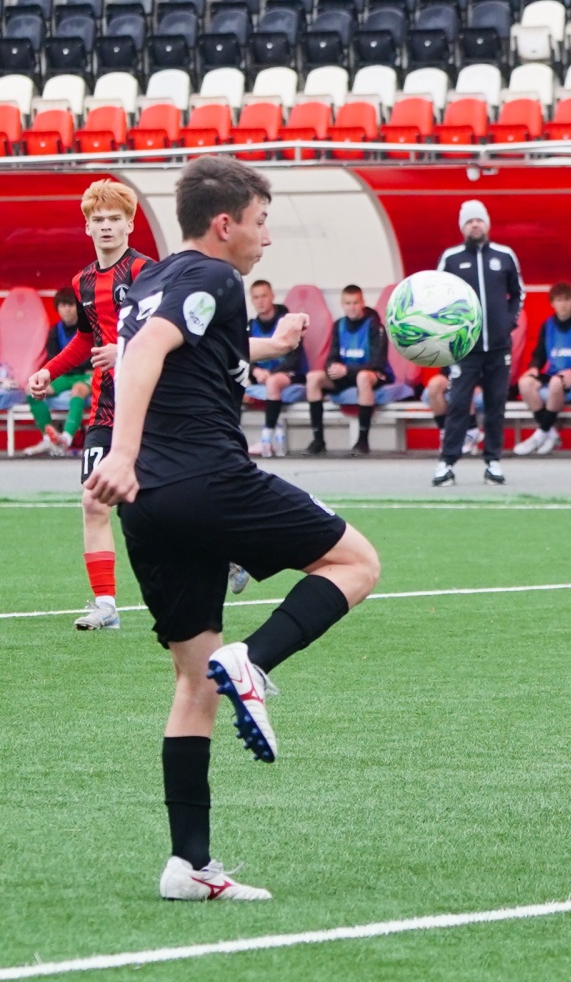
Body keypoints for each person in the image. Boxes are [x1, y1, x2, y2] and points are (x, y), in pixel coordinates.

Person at [87, 156, 381, 901]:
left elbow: (174, 346)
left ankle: (189, 865)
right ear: (225, 224)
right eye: (260, 222)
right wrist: (119, 450)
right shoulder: (216, 276)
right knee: (355, 563)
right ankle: (257, 659)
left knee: (194, 682)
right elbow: (146, 353)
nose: (266, 238)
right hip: (207, 478)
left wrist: (272, 347)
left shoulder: (151, 280)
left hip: (149, 504)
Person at [25, 180, 153, 631]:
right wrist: (49, 371)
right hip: (104, 407)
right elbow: (86, 338)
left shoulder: (146, 272)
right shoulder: (81, 282)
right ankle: (106, 606)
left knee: (165, 501)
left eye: (115, 219)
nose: (106, 227)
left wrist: (125, 350)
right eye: (98, 220)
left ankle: (228, 550)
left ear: (129, 224)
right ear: (87, 227)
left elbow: (170, 331)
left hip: (150, 402)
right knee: (94, 502)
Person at [434, 200, 523, 486]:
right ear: (462, 227)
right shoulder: (451, 258)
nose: (475, 225)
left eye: (479, 220)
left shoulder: (505, 255)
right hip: (464, 349)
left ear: (487, 224)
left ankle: (493, 462)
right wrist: (451, 332)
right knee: (459, 404)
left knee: (496, 405)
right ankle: (446, 463)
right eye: (469, 221)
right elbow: (436, 298)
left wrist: (508, 323)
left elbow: (518, 294)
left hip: (498, 348)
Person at [511, 281, 571, 458]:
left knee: (555, 382)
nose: (563, 304)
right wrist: (534, 368)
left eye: (567, 300)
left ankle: (540, 434)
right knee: (525, 383)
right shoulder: (547, 325)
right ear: (552, 303)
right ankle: (550, 433)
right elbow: (539, 354)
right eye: (559, 300)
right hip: (555, 375)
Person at [303, 285, 392, 457]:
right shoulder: (339, 325)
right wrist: (332, 368)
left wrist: (347, 370)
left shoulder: (375, 326)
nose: (352, 307)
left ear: (363, 302)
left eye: (356, 303)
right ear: (342, 304)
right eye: (348, 303)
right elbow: (332, 356)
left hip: (372, 375)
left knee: (363, 377)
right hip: (345, 375)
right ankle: (318, 440)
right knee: (313, 378)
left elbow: (378, 362)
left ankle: (362, 441)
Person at [22, 291, 93, 458]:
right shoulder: (54, 331)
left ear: (78, 307)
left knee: (78, 390)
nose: (67, 309)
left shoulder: (89, 328)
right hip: (65, 376)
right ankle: (49, 438)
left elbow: (91, 357)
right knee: (30, 389)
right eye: (63, 305)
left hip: (86, 376)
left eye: (71, 305)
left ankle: (66, 439)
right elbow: (54, 358)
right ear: (58, 308)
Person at [244, 279, 306, 458]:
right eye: (256, 297)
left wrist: (270, 373)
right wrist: (255, 371)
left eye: (264, 296)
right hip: (261, 376)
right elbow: (242, 355)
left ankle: (266, 439)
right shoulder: (251, 325)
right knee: (234, 382)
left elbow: (294, 358)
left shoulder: (288, 323)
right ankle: (233, 440)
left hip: (290, 375)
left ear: (272, 296)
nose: (260, 301)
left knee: (273, 382)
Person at [423, 371, 483, 456]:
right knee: (435, 385)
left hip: (481, 389)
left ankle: (471, 431)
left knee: (463, 387)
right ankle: (446, 432)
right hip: (453, 385)